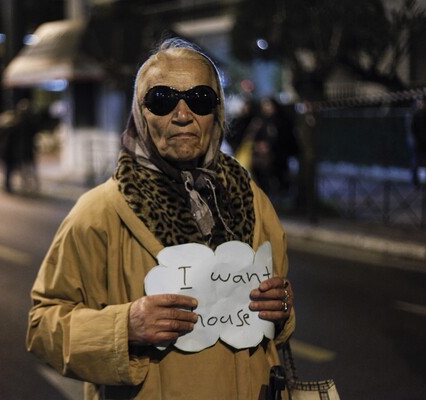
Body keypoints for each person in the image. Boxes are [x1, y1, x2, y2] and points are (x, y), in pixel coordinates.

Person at [26, 38, 295, 400]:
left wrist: (282, 309)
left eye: (200, 99)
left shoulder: (252, 199)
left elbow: (276, 310)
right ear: (140, 112)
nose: (182, 115)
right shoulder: (100, 211)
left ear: (217, 112)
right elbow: (42, 327)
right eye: (162, 100)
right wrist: (125, 327)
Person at [409, 98, 426, 187]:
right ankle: (416, 182)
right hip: (419, 142)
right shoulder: (416, 115)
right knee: (416, 162)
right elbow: (413, 129)